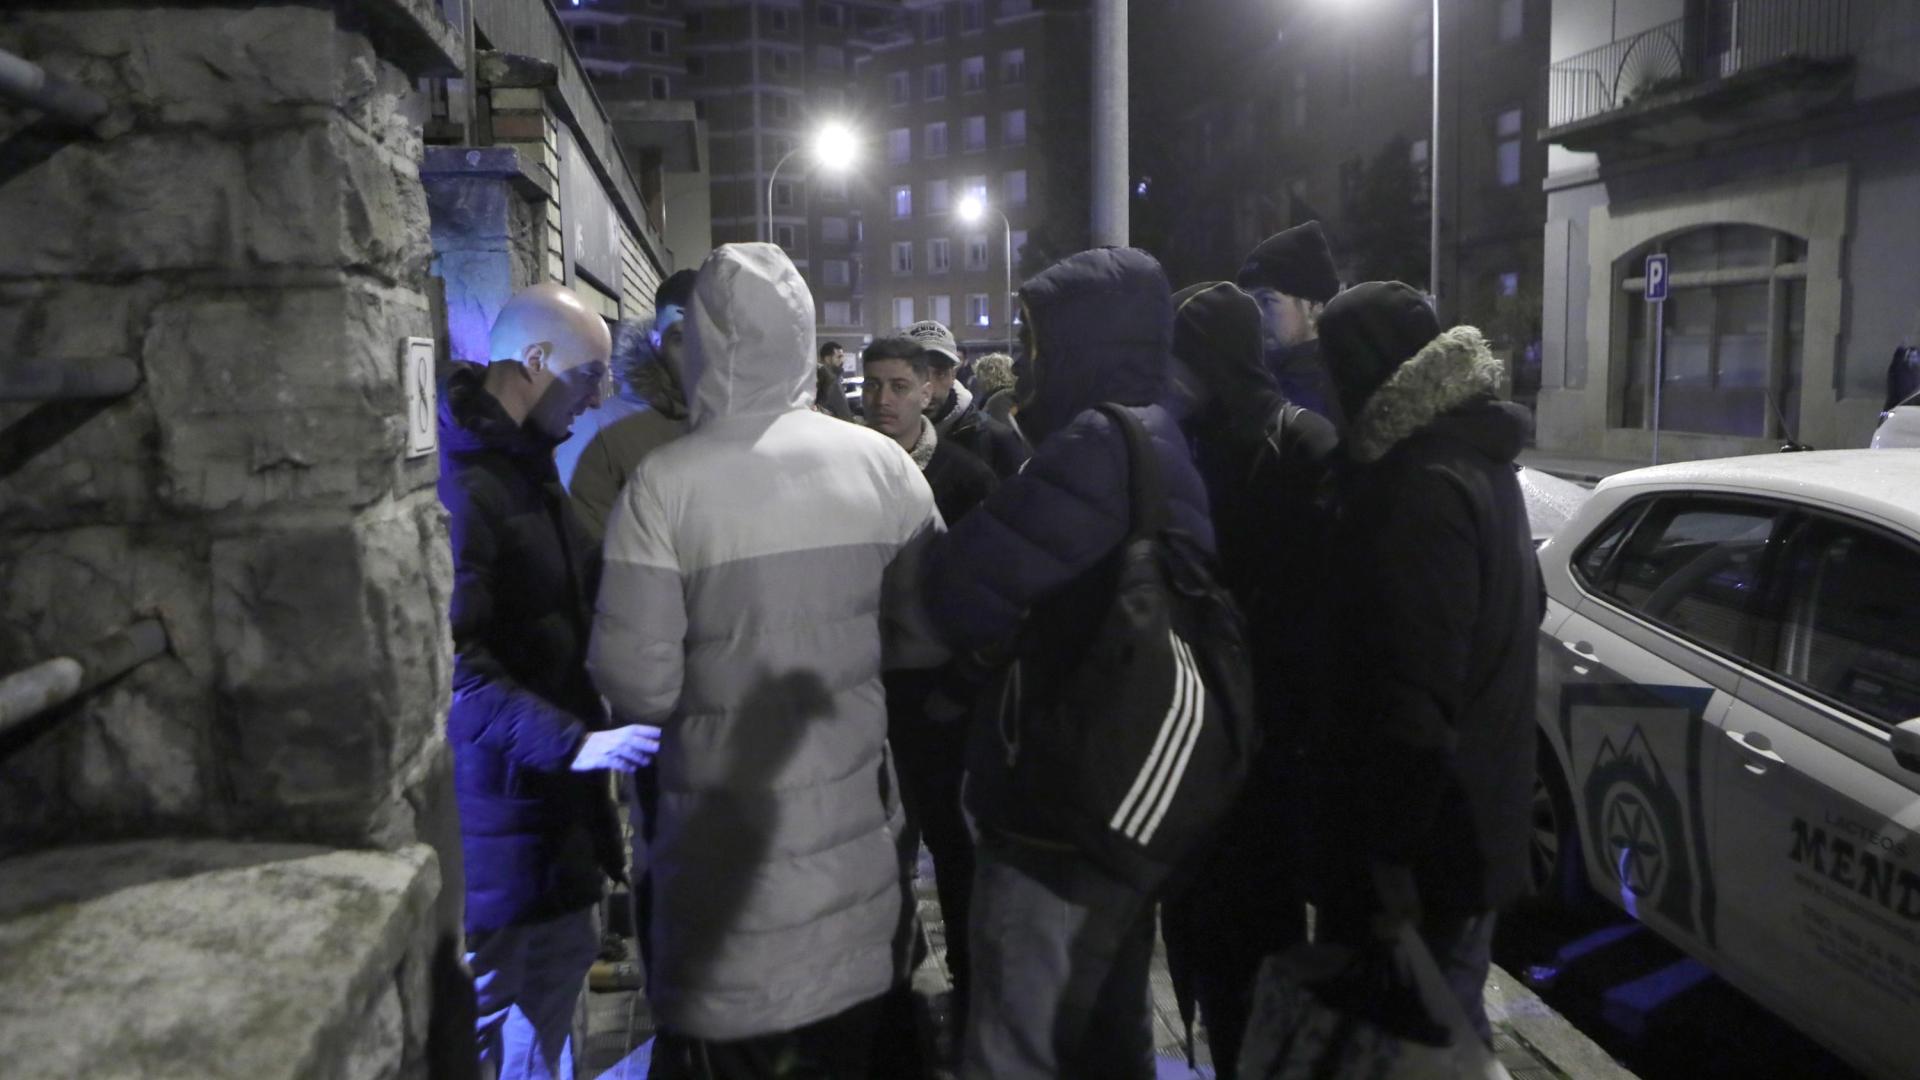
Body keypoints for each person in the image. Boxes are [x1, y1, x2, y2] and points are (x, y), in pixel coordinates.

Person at [588, 244, 947, 1077]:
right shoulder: (884, 467)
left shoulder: (663, 486)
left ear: (703, 344)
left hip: (726, 882)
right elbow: (929, 633)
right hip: (855, 866)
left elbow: (638, 684)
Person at [921, 247, 1215, 1080]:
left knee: (1025, 1039)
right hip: (1117, 786)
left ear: (1083, 345)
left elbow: (958, 590)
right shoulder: (1155, 430)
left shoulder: (1097, 443)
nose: (1023, 362)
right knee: (1107, 1027)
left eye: (1035, 340)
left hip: (1062, 800)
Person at [438, 282, 664, 1080]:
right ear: (535, 360)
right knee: (512, 1031)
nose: (598, 397)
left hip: (547, 824)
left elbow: (584, 582)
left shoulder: (523, 470)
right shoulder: (468, 488)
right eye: (590, 375)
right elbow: (452, 668)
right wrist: (576, 744)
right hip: (508, 832)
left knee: (548, 1023)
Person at [1313, 281, 1541, 1042]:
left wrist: (1390, 859)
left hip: (1430, 849)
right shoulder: (1477, 459)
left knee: (1419, 1040)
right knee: (1445, 1027)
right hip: (1471, 822)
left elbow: (1413, 695)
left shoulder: (1418, 486)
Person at [1159, 281, 1338, 1077]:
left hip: (1258, 739)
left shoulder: (1294, 442)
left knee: (1251, 934)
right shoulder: (1190, 442)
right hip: (1224, 730)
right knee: (1223, 933)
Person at [860, 334, 997, 1036]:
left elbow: (989, 592)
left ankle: (970, 996)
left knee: (953, 847)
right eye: (872, 385)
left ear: (928, 391)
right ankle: (890, 1002)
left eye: (897, 386)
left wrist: (963, 683)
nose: (882, 399)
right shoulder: (846, 466)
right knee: (879, 851)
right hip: (865, 688)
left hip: (939, 694)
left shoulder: (966, 478)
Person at [559, 268, 698, 542]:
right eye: (682, 338)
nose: (701, 353)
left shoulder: (731, 420)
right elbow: (584, 549)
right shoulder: (599, 433)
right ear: (657, 341)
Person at [1236, 220, 1345, 431]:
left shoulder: (1341, 393)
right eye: (1249, 303)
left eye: (1266, 300)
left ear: (1313, 307)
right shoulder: (1252, 384)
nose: (1255, 315)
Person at [904, 320, 1031, 478]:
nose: (931, 389)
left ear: (953, 375)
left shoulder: (995, 439)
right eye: (918, 373)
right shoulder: (881, 435)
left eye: (940, 373)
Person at [972, 351, 1021, 429]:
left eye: (979, 375)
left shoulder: (994, 401)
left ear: (986, 376)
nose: (978, 380)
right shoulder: (1017, 396)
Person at [816, 339, 856, 420]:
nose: (842, 360)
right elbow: (844, 414)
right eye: (839, 357)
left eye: (842, 357)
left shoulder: (830, 379)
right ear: (827, 359)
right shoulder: (830, 383)